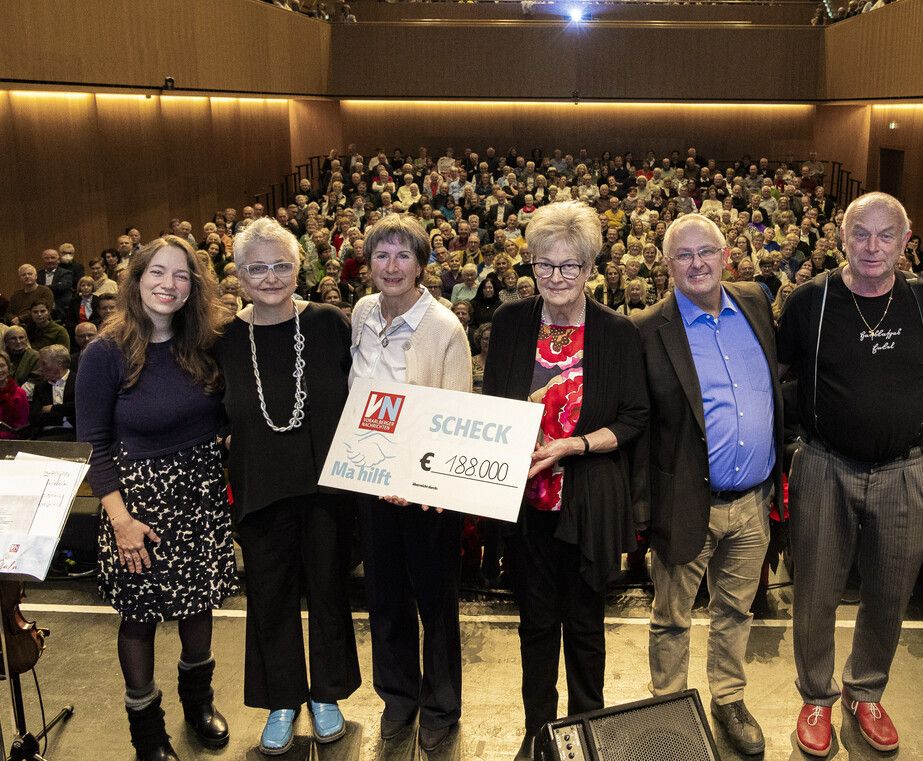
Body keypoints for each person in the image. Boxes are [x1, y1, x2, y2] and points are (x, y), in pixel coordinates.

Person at [777, 193, 923, 757]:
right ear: (841, 238)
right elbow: (778, 381)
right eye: (861, 234)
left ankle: (866, 690)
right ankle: (816, 698)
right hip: (827, 466)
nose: (872, 247)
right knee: (816, 593)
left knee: (889, 593)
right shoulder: (809, 301)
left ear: (906, 242)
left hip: (906, 472)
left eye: (886, 235)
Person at [483, 201, 648, 759]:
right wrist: (516, 437)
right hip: (525, 499)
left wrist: (572, 445)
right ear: (530, 264)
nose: (556, 278)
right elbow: (495, 402)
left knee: (583, 627)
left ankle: (585, 729)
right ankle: (538, 734)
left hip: (586, 501)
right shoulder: (508, 323)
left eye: (570, 266)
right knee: (534, 626)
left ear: (590, 268)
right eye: (545, 265)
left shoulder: (617, 332)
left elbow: (633, 419)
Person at [76, 236, 236, 761]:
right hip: (138, 508)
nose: (169, 284)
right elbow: (94, 445)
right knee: (140, 619)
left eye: (182, 275)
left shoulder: (206, 342)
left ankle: (199, 705)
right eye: (158, 274)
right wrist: (120, 521)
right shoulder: (106, 353)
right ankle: (147, 733)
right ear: (136, 280)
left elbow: (224, 415)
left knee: (198, 608)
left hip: (202, 499)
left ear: (195, 286)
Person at [630, 214, 784, 756]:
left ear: (726, 256)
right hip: (684, 501)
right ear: (666, 266)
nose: (697, 264)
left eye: (706, 253)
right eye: (683, 256)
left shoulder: (755, 303)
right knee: (671, 618)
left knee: (736, 611)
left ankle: (729, 698)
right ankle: (667, 705)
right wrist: (643, 511)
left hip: (753, 502)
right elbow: (639, 428)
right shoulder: (648, 328)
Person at [214, 218, 360, 755]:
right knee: (269, 599)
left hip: (327, 488)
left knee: (328, 592)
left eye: (281, 265)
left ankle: (327, 694)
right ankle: (282, 700)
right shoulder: (225, 339)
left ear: (299, 267)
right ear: (240, 274)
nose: (271, 277)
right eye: (257, 267)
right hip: (260, 489)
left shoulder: (329, 324)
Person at [350, 214, 472, 754]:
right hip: (371, 481)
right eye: (382, 256)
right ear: (369, 263)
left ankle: (442, 705)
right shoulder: (361, 313)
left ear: (421, 265)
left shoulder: (444, 326)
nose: (391, 266)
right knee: (385, 600)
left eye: (403, 256)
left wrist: (423, 482)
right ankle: (398, 697)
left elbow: (456, 413)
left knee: (435, 603)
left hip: (426, 493)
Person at [28, 344, 75, 439]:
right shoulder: (40, 387)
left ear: (59, 363)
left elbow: (78, 408)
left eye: (44, 363)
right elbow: (34, 417)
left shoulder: (79, 382)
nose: (40, 368)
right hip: (46, 434)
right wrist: (64, 416)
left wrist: (52, 409)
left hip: (74, 433)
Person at [0, 350, 30, 438]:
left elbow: (21, 426)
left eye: (2, 366)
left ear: (8, 368)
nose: (0, 370)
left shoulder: (19, 393)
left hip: (11, 441)